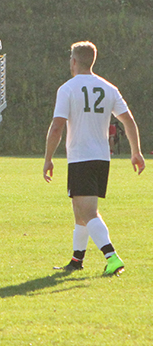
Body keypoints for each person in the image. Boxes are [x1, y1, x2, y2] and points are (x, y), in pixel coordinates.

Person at [43, 41, 145, 276]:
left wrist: (48, 158)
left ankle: (112, 257)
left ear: (74, 61)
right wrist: (135, 151)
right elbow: (128, 120)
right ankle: (76, 260)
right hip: (101, 158)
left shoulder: (68, 88)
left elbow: (57, 126)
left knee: (88, 213)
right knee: (80, 212)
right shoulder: (109, 87)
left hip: (81, 158)